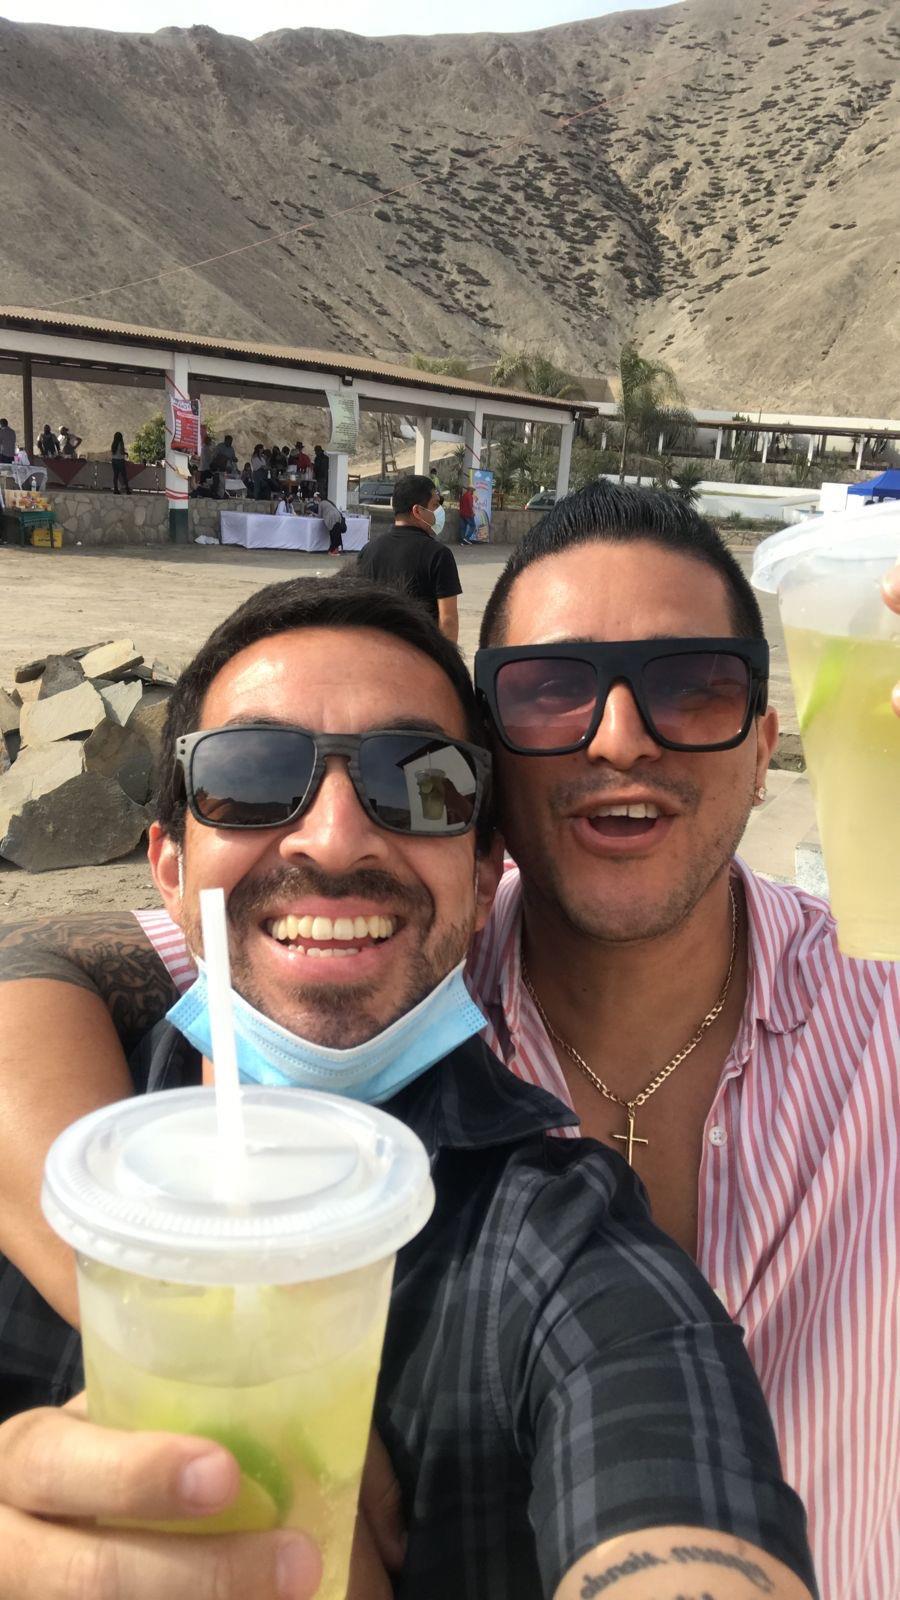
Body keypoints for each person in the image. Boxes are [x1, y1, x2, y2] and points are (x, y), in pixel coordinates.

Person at [1, 486, 896, 1599]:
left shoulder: (884, 1001)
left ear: (768, 747)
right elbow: (43, 963)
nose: (620, 735)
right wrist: (174, 1307)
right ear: (499, 800)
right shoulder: (380, 963)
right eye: (550, 691)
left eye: (694, 683)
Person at [356, 473, 461, 642]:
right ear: (418, 511)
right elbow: (448, 620)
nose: (439, 512)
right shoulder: (439, 555)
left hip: (376, 652)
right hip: (420, 656)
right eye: (435, 505)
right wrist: (445, 664)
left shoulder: (368, 551)